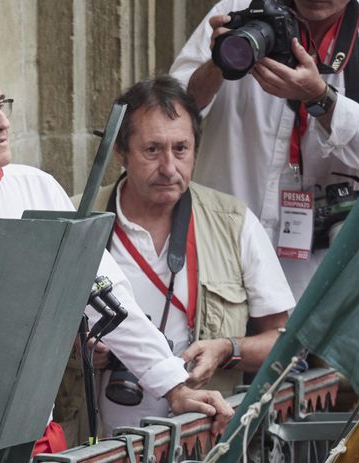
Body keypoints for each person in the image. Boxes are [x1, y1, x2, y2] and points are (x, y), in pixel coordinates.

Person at [0, 52, 234, 440]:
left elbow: (107, 295)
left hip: (26, 434)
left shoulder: (35, 187)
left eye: (1, 104)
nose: (2, 121)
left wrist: (173, 385)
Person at [170, 0, 359, 298]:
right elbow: (170, 112)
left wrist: (320, 97)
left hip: (318, 273)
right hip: (220, 258)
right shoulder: (241, 7)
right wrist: (219, 63)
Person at [96, 76, 295, 430]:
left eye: (181, 149)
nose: (169, 168)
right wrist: (79, 349)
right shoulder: (80, 217)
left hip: (201, 438)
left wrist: (227, 349)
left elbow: (284, 341)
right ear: (119, 151)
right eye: (152, 150)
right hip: (95, 441)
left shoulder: (233, 223)